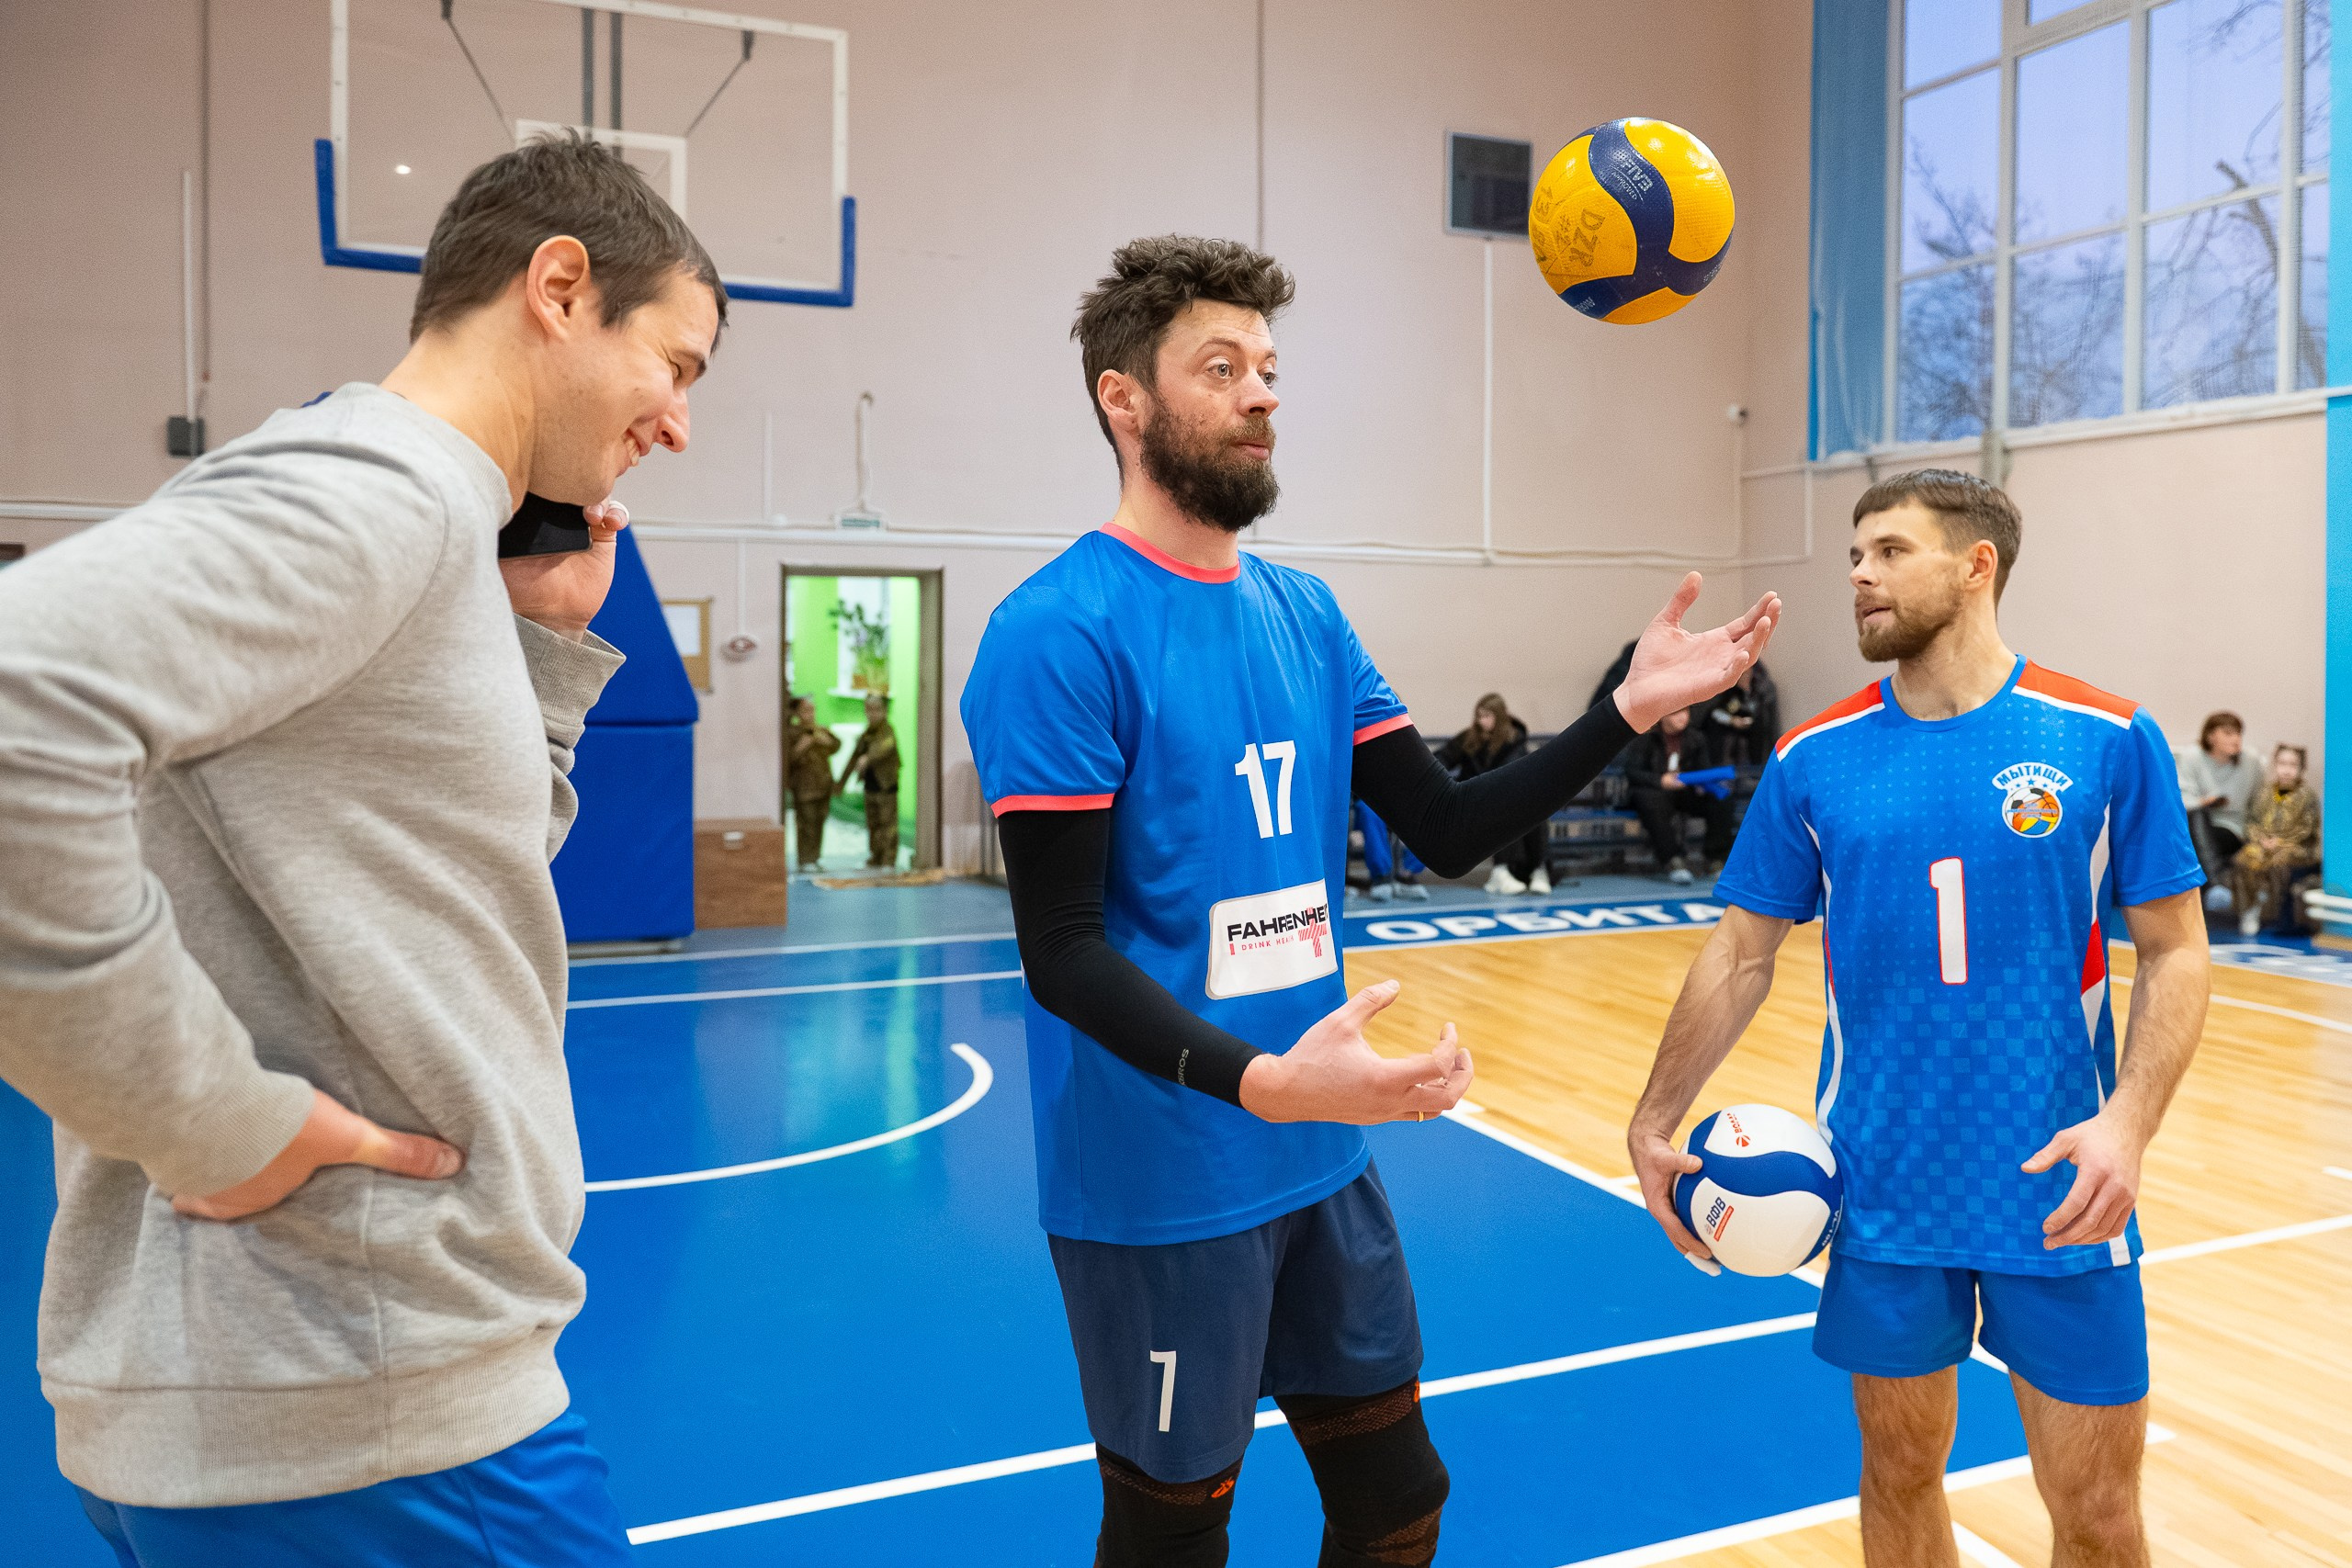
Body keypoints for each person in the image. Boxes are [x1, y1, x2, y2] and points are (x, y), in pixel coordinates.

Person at [961, 234, 1777, 1568]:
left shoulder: (1307, 612)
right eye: (1220, 367)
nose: (1262, 392)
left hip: (1322, 1152)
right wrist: (1260, 1079)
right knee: (1171, 1537)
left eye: (1270, 367)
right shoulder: (1059, 628)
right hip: (1168, 1176)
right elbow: (1060, 949)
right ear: (1125, 399)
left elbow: (1448, 829)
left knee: (1398, 1502)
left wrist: (1620, 709)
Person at [0, 132, 723, 1567]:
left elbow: (449, 869)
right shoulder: (377, 486)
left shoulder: (435, 524)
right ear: (562, 288)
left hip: (329, 1402)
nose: (680, 423)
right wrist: (211, 1119)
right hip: (367, 1412)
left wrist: (539, 653)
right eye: (680, 364)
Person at [1627, 469, 2209, 1568]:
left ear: (1975, 565)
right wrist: (1652, 1118)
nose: (1857, 574)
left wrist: (2128, 1124)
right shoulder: (1812, 758)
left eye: (1889, 551)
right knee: (1897, 1478)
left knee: (2097, 1513)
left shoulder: (2103, 735)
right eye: (1855, 553)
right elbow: (1742, 951)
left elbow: (2178, 950)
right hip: (1880, 1190)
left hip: (2062, 1190)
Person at [1438, 694, 1551, 896]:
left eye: (1487, 716)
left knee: (1536, 813)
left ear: (1499, 717)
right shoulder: (1469, 738)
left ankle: (1537, 869)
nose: (1482, 721)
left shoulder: (1515, 741)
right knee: (1504, 810)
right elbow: (1442, 758)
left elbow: (1519, 775)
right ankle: (1502, 871)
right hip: (1471, 801)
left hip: (1503, 798)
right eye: (1479, 716)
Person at [1620, 705, 1732, 884]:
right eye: (1675, 713)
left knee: (1722, 798)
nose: (1682, 718)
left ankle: (1715, 858)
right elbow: (1633, 771)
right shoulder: (1647, 737)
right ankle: (1673, 859)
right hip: (1656, 791)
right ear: (1663, 716)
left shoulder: (1696, 738)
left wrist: (1703, 784)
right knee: (1650, 801)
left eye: (1685, 712)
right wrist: (1660, 781)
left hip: (1687, 790)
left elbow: (1704, 767)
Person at [2230, 743, 2320, 938]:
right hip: (2264, 844)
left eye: (2292, 765)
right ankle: (2249, 909)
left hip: (2295, 847)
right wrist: (2261, 839)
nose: (2286, 770)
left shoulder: (2306, 796)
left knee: (2279, 863)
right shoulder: (2264, 793)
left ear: (2301, 768)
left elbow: (2307, 828)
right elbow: (2252, 820)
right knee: (2244, 859)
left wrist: (2280, 841)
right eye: (2282, 763)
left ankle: (2275, 913)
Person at [2178, 711, 2259, 905]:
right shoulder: (2192, 757)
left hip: (2232, 827)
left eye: (2239, 734)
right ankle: (2215, 886)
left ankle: (2214, 888)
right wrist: (2204, 802)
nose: (2236, 739)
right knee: (2196, 819)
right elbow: (2181, 798)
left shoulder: (2251, 762)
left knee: (2193, 842)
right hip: (2197, 821)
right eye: (2229, 733)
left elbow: (2258, 801)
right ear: (2210, 736)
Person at [837, 692, 902, 869]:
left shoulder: (888, 731)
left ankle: (889, 860)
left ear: (884, 711)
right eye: (869, 710)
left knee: (887, 825)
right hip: (870, 787)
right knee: (873, 825)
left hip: (886, 787)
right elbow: (853, 758)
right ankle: (875, 856)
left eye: (877, 710)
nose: (873, 714)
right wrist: (841, 783)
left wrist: (868, 758)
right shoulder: (866, 734)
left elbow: (884, 748)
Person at [786, 695, 842, 870]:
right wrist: (803, 746)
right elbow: (788, 760)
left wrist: (825, 739)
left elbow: (836, 745)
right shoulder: (792, 733)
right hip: (804, 788)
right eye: (805, 711)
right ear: (797, 713)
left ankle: (815, 857)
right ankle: (805, 859)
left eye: (812, 710)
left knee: (819, 822)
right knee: (806, 824)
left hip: (823, 786)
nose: (809, 715)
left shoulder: (820, 731)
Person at [1353, 798, 1430, 901]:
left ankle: (1406, 876)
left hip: (1397, 796)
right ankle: (1382, 876)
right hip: (1365, 798)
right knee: (1370, 810)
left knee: (1425, 807)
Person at [1705, 660, 1780, 766]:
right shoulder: (1732, 693)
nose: (1742, 676)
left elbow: (1769, 720)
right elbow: (1716, 713)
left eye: (1745, 672)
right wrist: (1732, 721)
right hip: (1735, 736)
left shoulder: (1764, 690)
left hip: (1759, 739)